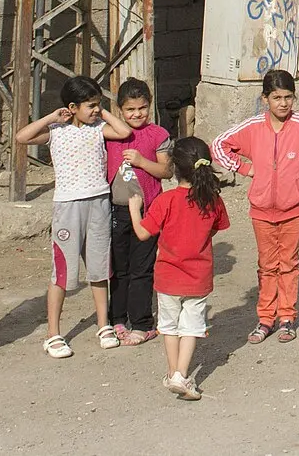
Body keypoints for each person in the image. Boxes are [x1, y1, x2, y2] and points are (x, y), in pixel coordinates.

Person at [211, 69, 299, 344]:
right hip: (261, 211)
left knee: (289, 263)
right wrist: (244, 168)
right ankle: (264, 319)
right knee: (266, 264)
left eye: (288, 97)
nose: (283, 103)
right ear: (264, 99)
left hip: (294, 210)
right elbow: (218, 144)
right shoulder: (251, 128)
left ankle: (286, 318)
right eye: (276, 97)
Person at [15, 76, 133, 357]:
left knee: (99, 266)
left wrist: (102, 111)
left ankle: (103, 324)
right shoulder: (56, 131)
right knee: (63, 271)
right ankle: (53, 333)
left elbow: (124, 131)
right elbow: (22, 137)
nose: (95, 110)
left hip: (98, 202)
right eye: (90, 105)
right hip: (68, 206)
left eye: (98, 105)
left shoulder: (98, 129)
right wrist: (51, 117)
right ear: (72, 106)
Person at [126, 136, 230, 400]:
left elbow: (142, 233)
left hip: (168, 276)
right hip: (198, 277)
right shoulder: (213, 200)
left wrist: (134, 209)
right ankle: (181, 375)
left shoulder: (166, 201)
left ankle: (174, 372)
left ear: (175, 168)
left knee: (169, 327)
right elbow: (216, 228)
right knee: (192, 328)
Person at [105, 77, 172, 346]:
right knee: (118, 269)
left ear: (149, 105)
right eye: (130, 110)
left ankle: (143, 323)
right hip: (115, 211)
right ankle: (117, 319)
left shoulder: (158, 134)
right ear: (120, 109)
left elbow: (166, 171)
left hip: (149, 210)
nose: (137, 114)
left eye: (142, 108)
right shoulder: (111, 134)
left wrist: (143, 161)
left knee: (141, 268)